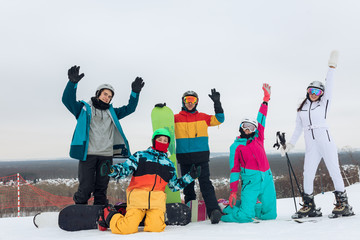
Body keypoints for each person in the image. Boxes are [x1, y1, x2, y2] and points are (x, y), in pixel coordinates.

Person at [282, 51, 354, 218]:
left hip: (325, 140)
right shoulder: (301, 109)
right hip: (311, 143)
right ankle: (309, 205)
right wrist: (290, 145)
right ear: (307, 92)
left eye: (317, 91)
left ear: (321, 94)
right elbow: (298, 128)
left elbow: (329, 85)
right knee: (308, 172)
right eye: (311, 90)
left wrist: (332, 68)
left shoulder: (323, 104)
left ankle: (343, 204)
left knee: (334, 170)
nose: (314, 93)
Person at [62, 65, 144, 205]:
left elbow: (130, 109)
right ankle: (79, 210)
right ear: (98, 93)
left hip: (106, 155)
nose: (107, 98)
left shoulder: (112, 113)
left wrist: (135, 93)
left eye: (110, 96)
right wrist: (72, 83)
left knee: (101, 187)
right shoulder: (84, 109)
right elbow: (67, 100)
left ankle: (100, 211)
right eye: (105, 94)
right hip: (88, 154)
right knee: (86, 186)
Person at [97, 128, 201, 234]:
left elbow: (174, 186)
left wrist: (190, 176)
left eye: (165, 141)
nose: (162, 142)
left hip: (156, 202)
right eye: (160, 139)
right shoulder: (140, 156)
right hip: (138, 198)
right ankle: (108, 214)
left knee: (156, 229)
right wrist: (112, 170)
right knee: (127, 228)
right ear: (154, 141)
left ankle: (140, 218)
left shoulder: (169, 164)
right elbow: (125, 170)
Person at [221, 83, 277, 223]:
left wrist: (266, 99)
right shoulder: (236, 146)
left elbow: (261, 119)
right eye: (244, 126)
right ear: (241, 127)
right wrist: (233, 191)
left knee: (270, 215)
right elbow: (234, 170)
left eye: (251, 127)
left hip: (267, 178)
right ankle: (226, 210)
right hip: (250, 182)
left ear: (254, 130)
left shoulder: (259, 138)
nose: (247, 129)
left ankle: (250, 206)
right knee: (245, 217)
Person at [174, 89, 225, 224]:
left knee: (205, 185)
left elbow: (220, 119)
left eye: (193, 100)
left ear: (196, 102)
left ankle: (214, 211)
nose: (190, 103)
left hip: (201, 157)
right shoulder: (176, 118)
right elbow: (163, 124)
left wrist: (217, 102)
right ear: (183, 102)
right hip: (184, 157)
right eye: (187, 100)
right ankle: (189, 212)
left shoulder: (203, 117)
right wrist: (162, 112)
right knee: (188, 186)